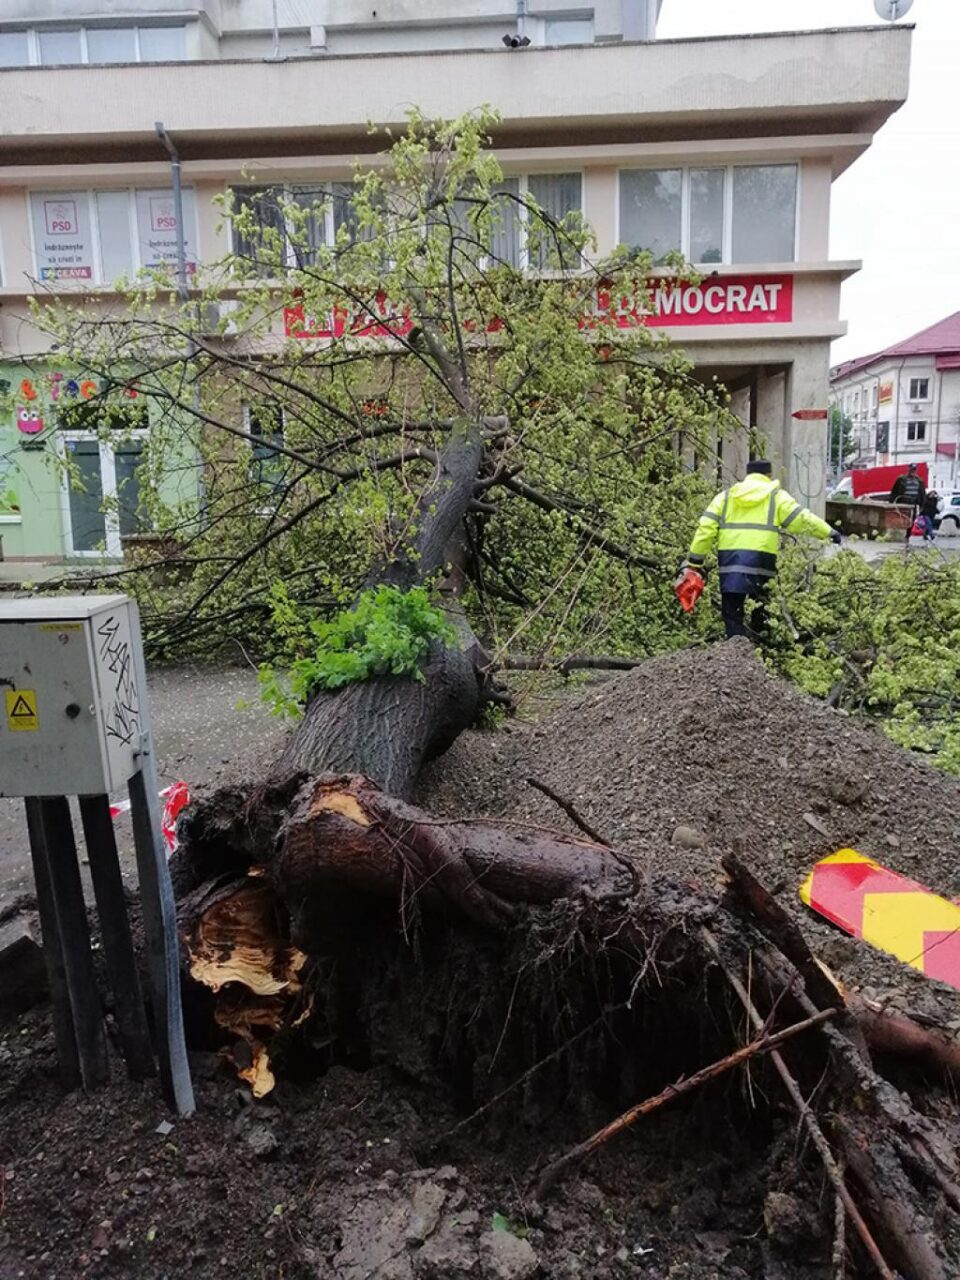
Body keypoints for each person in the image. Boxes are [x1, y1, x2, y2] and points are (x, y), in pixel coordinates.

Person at [683, 458, 840, 640]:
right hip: (762, 563)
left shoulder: (725, 498)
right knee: (762, 611)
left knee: (732, 615)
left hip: (731, 563)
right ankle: (761, 650)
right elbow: (803, 519)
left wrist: (695, 561)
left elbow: (705, 529)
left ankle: (735, 655)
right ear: (769, 475)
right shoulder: (776, 497)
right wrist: (829, 532)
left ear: (747, 475)